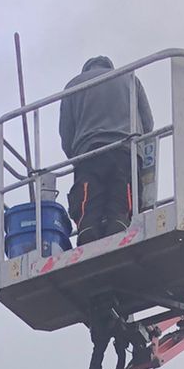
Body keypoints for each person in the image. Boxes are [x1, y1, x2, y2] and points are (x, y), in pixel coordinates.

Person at [58, 55, 154, 245]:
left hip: (88, 153)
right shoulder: (130, 78)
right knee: (121, 195)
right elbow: (148, 123)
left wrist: (75, 154)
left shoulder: (73, 85)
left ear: (86, 69)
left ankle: (87, 231)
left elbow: (66, 132)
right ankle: (118, 226)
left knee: (88, 198)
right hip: (126, 149)